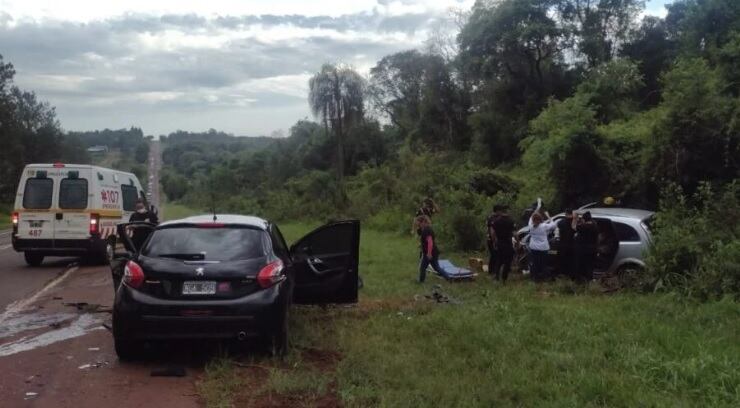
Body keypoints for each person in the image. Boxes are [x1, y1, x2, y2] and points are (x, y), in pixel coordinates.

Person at [527, 207, 557, 282]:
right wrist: (549, 216)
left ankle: (535, 278)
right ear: (541, 219)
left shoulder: (530, 226)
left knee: (535, 263)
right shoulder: (544, 226)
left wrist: (536, 210)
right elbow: (553, 225)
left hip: (533, 247)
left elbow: (531, 218)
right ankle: (544, 278)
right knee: (543, 264)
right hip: (543, 248)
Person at [489, 204, 515, 283]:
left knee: (499, 260)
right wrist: (517, 243)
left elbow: (493, 233)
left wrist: (494, 241)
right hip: (508, 242)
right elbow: (515, 233)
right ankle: (504, 278)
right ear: (507, 211)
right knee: (508, 261)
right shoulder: (511, 221)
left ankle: (496, 276)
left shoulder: (496, 221)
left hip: (500, 242)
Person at [416, 215, 444, 283]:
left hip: (430, 253)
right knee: (437, 268)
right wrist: (421, 245)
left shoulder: (427, 230)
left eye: (419, 223)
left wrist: (429, 253)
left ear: (423, 222)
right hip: (433, 252)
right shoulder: (426, 229)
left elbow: (430, 242)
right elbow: (427, 241)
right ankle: (449, 278)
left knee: (423, 267)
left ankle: (421, 281)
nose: (419, 225)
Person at [574, 211, 598, 283]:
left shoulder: (583, 227)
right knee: (590, 266)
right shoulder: (595, 224)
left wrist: (576, 219)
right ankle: (589, 280)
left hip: (583, 250)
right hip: (593, 249)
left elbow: (574, 227)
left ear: (584, 219)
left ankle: (581, 281)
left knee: (581, 266)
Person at [556, 208, 576, 279]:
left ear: (566, 213)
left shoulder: (561, 222)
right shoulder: (575, 222)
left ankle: (563, 275)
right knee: (571, 262)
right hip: (573, 245)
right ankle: (571, 276)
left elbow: (557, 226)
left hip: (563, 245)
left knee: (562, 261)